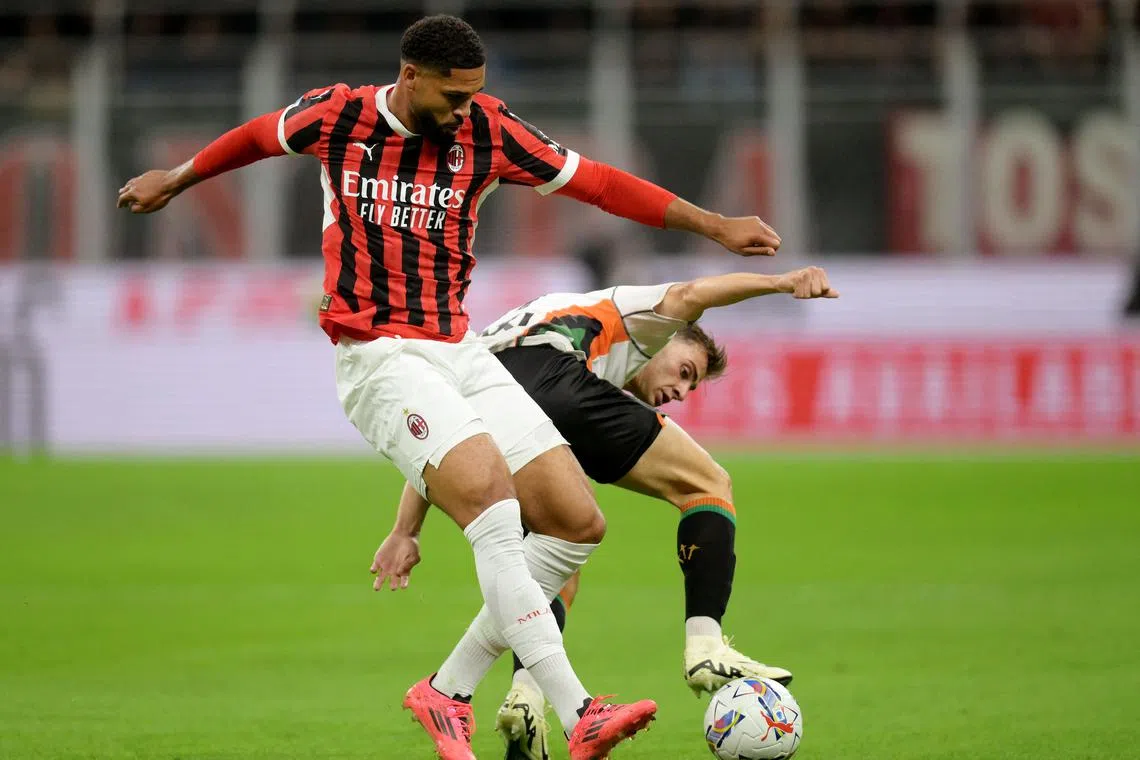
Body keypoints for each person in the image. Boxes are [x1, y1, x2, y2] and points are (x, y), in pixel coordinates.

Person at [116, 14, 783, 760]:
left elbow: (597, 183)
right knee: (495, 505)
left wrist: (714, 225)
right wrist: (176, 180)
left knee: (573, 520)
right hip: (379, 353)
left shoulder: (488, 130)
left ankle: (447, 691)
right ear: (410, 78)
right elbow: (254, 137)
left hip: (459, 349)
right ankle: (578, 711)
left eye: (475, 96)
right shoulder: (338, 115)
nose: (465, 110)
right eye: (453, 96)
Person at [373, 266, 837, 760]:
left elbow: (449, 436)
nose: (681, 393)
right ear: (667, 339)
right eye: (685, 372)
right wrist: (783, 283)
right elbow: (693, 291)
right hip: (549, 375)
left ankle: (519, 697)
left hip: (485, 398)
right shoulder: (639, 317)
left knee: (556, 549)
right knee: (708, 484)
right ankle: (705, 646)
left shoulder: (512, 329)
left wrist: (406, 529)